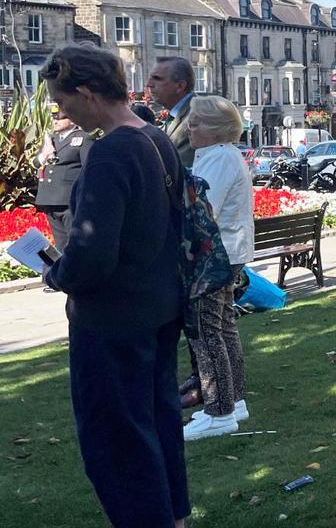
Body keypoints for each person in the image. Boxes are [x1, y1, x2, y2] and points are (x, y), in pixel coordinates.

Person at [40, 44, 190, 527]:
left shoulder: (110, 152)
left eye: (62, 100)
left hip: (113, 320)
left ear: (86, 91)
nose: (60, 111)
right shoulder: (154, 137)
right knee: (157, 421)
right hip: (159, 308)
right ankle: (172, 515)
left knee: (116, 439)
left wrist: (57, 272)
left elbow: (91, 253)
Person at [180, 96, 254, 441]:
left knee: (207, 331)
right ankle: (231, 399)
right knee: (222, 328)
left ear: (217, 129)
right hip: (225, 251)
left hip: (215, 255)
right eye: (191, 121)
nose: (190, 128)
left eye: (197, 122)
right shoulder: (221, 155)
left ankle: (219, 411)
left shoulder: (220, 158)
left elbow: (202, 209)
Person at [35, 104, 93, 249]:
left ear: (72, 120)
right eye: (54, 119)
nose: (55, 121)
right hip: (50, 198)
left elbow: (89, 169)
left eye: (60, 119)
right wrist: (45, 154)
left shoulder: (83, 138)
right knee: (60, 244)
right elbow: (36, 163)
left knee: (74, 243)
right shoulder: (51, 140)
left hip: (68, 199)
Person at [147, 55, 197, 167]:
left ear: (180, 86)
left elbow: (177, 168)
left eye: (157, 78)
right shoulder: (175, 114)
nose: (149, 85)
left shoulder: (197, 116)